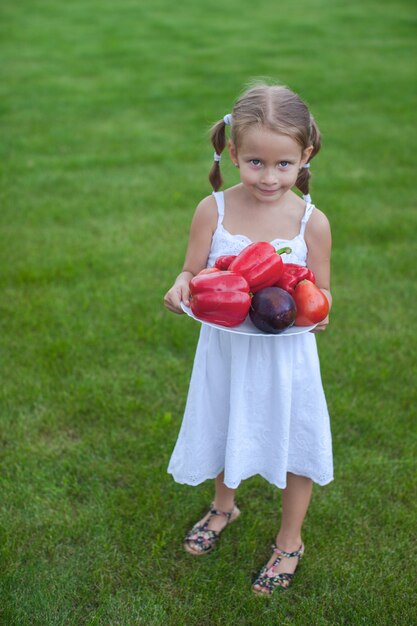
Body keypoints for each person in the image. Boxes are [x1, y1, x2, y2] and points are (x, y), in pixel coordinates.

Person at [163, 82, 333, 595]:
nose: (269, 176)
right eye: (255, 161)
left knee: (294, 440)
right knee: (225, 422)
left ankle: (290, 540)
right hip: (227, 349)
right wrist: (178, 288)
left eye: (284, 164)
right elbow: (191, 273)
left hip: (287, 358)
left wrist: (318, 312)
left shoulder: (311, 221)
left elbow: (320, 289)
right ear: (233, 152)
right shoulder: (212, 210)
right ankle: (223, 506)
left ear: (304, 156)